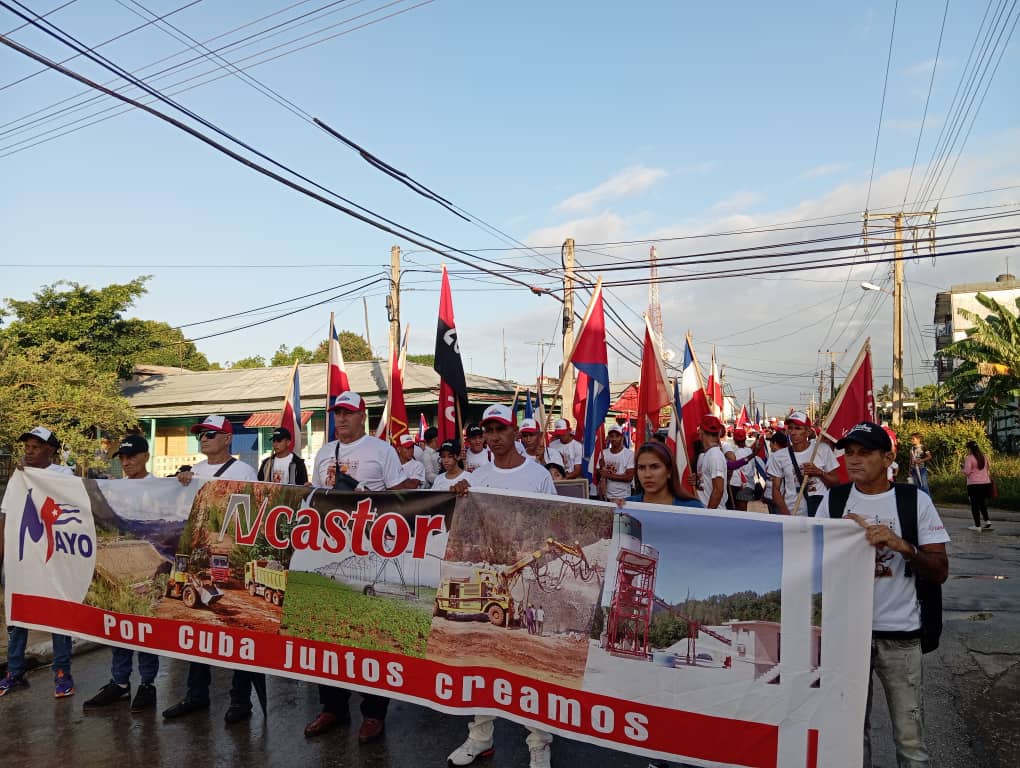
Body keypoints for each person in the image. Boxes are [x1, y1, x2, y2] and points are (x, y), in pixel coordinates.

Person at [817, 421, 949, 768]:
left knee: (909, 738)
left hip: (900, 636)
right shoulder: (832, 501)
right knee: (848, 737)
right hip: (847, 638)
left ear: (888, 456)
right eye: (849, 453)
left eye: (865, 453)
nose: (854, 460)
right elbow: (813, 566)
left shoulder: (912, 501)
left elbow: (939, 569)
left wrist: (901, 545)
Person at [448, 403, 556, 768]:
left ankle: (539, 742)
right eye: (487, 432)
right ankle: (480, 736)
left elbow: (553, 521)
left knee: (529, 658)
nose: (493, 438)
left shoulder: (538, 476)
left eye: (500, 431)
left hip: (526, 575)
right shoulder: (477, 479)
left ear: (515, 434)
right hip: (492, 574)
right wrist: (460, 497)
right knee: (484, 654)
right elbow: (466, 526)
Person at [307, 391, 403, 743]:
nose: (342, 419)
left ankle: (374, 713)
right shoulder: (323, 452)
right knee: (327, 631)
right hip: (330, 550)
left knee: (370, 637)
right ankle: (332, 705)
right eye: (337, 413)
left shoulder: (382, 451)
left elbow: (404, 495)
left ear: (363, 415)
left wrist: (368, 496)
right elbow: (314, 496)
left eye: (348, 413)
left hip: (369, 551)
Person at [163, 415, 266, 724]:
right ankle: (196, 694)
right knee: (199, 626)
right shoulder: (193, 472)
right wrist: (178, 481)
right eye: (201, 435)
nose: (204, 439)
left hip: (225, 551)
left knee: (237, 632)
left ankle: (240, 700)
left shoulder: (244, 471)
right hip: (197, 555)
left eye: (210, 434)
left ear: (227, 438)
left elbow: (254, 510)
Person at [83, 435, 160, 712]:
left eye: (132, 457)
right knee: (120, 626)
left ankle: (148, 684)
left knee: (147, 628)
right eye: (123, 458)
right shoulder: (114, 489)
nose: (127, 462)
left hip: (149, 557)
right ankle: (120, 683)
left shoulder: (162, 487)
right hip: (121, 558)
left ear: (146, 457)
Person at [0, 426, 76, 699]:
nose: (28, 451)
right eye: (27, 446)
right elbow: (6, 517)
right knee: (17, 617)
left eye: (35, 446)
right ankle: (15, 672)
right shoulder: (18, 477)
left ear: (51, 450)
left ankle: (62, 673)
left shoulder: (64, 476)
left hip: (53, 560)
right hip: (21, 560)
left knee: (57, 618)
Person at [767, 411, 840, 516]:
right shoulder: (779, 456)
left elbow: (836, 482)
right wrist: (786, 514)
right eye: (790, 428)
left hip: (819, 512)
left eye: (798, 428)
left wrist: (819, 473)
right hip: (793, 512)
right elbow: (776, 490)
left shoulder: (822, 450)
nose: (793, 432)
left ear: (808, 431)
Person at [625, 441, 703, 508]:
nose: (647, 475)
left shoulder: (692, 507)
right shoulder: (626, 505)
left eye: (654, 467)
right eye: (641, 468)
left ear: (669, 471)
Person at [695, 414, 729, 509]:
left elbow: (718, 490)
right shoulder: (709, 454)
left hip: (714, 513)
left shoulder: (715, 455)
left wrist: (709, 514)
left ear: (701, 433)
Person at [962, 440, 993, 531]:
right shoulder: (984, 456)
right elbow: (987, 469)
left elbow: (967, 472)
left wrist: (962, 469)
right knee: (982, 503)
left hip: (974, 484)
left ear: (969, 449)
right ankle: (987, 521)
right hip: (985, 483)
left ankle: (977, 526)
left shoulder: (969, 458)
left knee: (974, 505)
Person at [599, 424, 635, 501]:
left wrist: (608, 475)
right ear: (608, 438)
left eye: (617, 436)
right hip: (607, 496)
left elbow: (629, 477)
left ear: (622, 437)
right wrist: (601, 467)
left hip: (624, 497)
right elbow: (600, 474)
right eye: (612, 436)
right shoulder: (603, 453)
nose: (614, 439)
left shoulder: (629, 454)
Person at [727, 427, 756, 511]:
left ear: (734, 439)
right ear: (745, 438)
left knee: (738, 512)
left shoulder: (735, 453)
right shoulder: (750, 451)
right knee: (743, 511)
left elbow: (732, 469)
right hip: (749, 485)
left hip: (739, 486)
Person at [763, 432, 789, 515]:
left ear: (774, 443)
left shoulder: (781, 457)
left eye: (770, 442)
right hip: (770, 495)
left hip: (778, 497)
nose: (769, 445)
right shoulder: (773, 456)